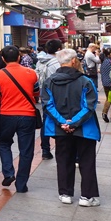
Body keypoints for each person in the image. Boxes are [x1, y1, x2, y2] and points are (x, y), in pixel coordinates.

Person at [43, 48, 101, 206]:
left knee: (63, 160)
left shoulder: (49, 81)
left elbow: (48, 105)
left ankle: (65, 193)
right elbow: (89, 106)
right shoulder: (85, 81)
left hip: (59, 129)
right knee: (87, 162)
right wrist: (73, 123)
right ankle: (87, 197)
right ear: (74, 61)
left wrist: (63, 123)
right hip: (85, 129)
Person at [0, 45, 40, 193]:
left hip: (6, 115)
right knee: (26, 150)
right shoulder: (31, 73)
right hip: (28, 116)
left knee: (4, 143)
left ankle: (8, 172)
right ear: (19, 57)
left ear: (3, 59)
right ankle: (21, 184)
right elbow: (36, 93)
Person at [36, 39, 63, 159]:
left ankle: (45, 150)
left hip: (45, 94)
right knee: (60, 120)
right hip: (58, 95)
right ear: (58, 49)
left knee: (46, 121)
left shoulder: (40, 61)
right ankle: (62, 150)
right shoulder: (58, 62)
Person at [99, 48, 111, 122]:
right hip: (110, 83)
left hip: (104, 83)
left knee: (109, 98)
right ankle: (106, 113)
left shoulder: (103, 61)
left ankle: (106, 113)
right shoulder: (110, 62)